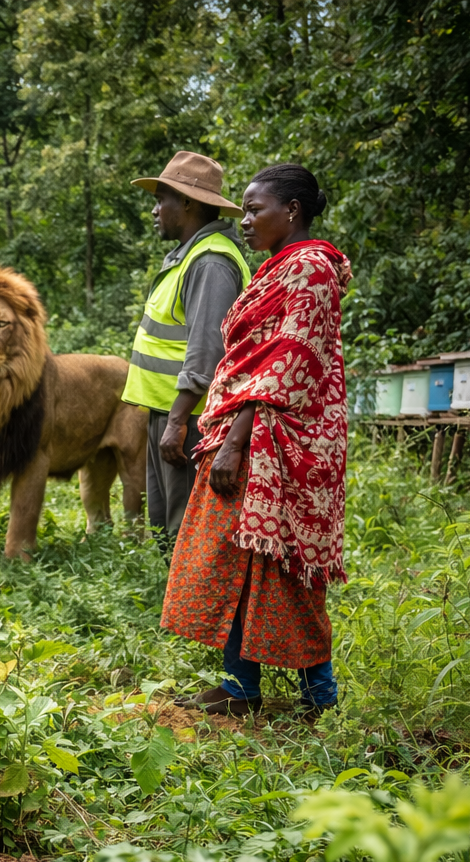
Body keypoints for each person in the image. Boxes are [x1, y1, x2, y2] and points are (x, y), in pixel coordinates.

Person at [164, 164, 349, 717]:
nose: (243, 221)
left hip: (282, 439)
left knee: (284, 566)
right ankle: (240, 686)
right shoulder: (275, 268)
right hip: (245, 430)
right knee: (234, 559)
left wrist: (234, 442)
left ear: (291, 211)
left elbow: (290, 360)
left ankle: (322, 697)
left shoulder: (312, 269)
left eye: (253, 209)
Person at [123, 151, 251, 551]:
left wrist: (178, 421)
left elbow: (206, 351)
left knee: (187, 535)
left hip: (191, 418)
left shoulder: (211, 261)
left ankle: (199, 614)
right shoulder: (188, 255)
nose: (155, 210)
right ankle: (178, 613)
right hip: (169, 412)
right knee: (165, 528)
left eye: (162, 200)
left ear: (190, 203)